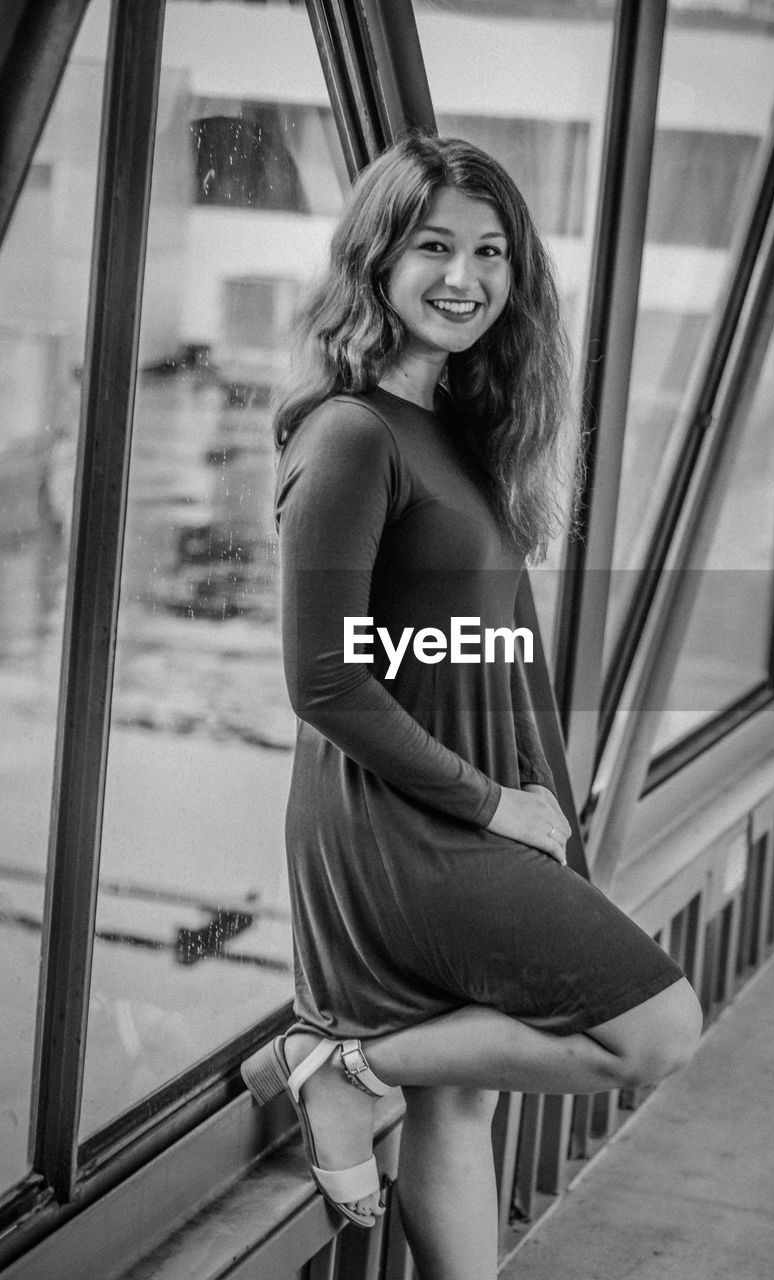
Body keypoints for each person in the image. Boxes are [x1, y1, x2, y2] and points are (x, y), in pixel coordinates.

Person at [241, 131, 702, 1280]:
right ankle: (341, 1070)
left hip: (468, 801)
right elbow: (324, 679)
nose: (465, 276)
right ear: (376, 259)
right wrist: (495, 802)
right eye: (434, 245)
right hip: (407, 821)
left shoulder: (452, 428)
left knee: (462, 1105)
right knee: (654, 1029)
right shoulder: (348, 433)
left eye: (489, 251)